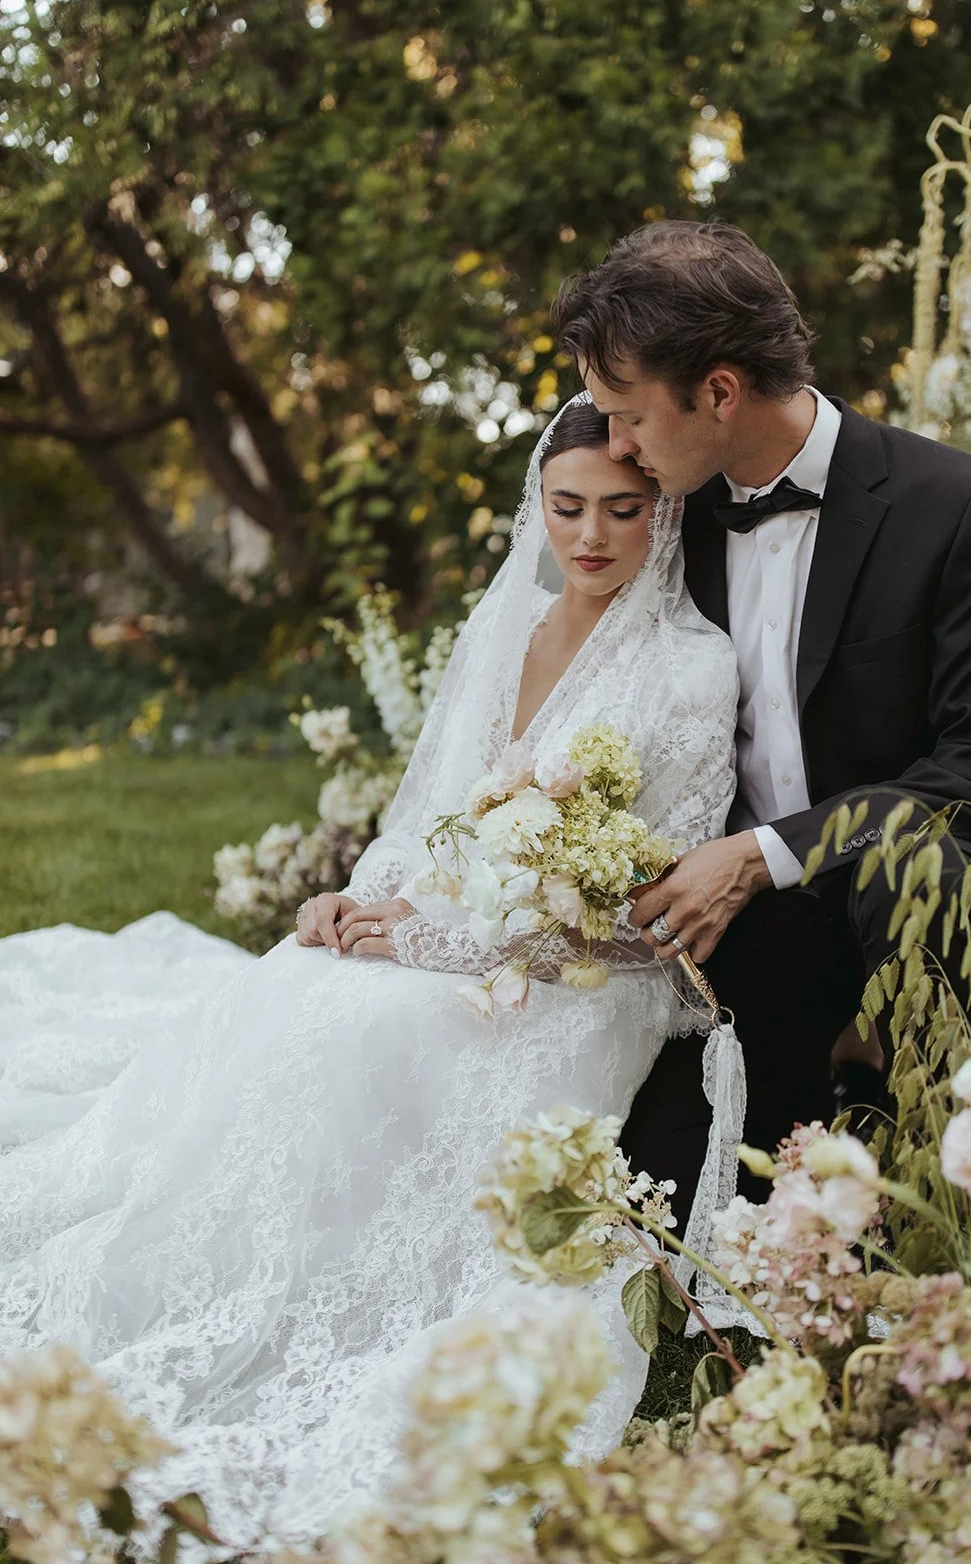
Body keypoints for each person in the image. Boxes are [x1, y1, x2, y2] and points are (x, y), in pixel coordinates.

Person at [0, 399, 738, 1546]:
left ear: (666, 511)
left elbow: (646, 930)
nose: (590, 536)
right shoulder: (508, 627)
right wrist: (358, 896)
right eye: (567, 507)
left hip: (582, 989)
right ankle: (213, 1266)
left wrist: (433, 941)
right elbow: (425, 816)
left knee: (364, 1029)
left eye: (621, 509)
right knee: (295, 990)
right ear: (535, 509)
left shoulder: (691, 668)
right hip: (452, 931)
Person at [553, 219, 971, 1224]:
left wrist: (762, 854)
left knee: (925, 869)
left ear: (719, 392)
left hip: (912, 904)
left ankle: (933, 1155)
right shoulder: (656, 515)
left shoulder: (957, 505)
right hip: (738, 936)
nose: (614, 446)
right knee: (659, 1211)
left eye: (627, 416)